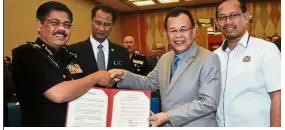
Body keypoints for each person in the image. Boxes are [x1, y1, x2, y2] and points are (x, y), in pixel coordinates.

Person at [109, 7, 221, 127]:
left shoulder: (208, 58)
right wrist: (123, 75)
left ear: (193, 31)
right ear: (166, 33)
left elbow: (208, 102)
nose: (178, 35)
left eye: (183, 29)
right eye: (173, 31)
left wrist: (168, 116)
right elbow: (149, 82)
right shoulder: (165, 58)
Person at [12, 1, 114, 126]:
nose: (61, 28)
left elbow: (81, 85)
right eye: (54, 23)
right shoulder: (28, 53)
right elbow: (58, 94)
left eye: (66, 25)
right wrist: (96, 77)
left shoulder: (69, 54)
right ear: (39, 25)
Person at [214, 0, 281, 127]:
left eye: (233, 15)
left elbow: (278, 97)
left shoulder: (266, 49)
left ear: (245, 17)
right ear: (217, 22)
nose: (228, 22)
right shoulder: (214, 57)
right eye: (223, 17)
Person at [69, 4, 131, 84]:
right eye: (98, 23)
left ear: (112, 26)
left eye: (107, 24)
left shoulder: (122, 52)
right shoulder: (73, 51)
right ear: (91, 21)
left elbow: (128, 81)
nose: (102, 28)